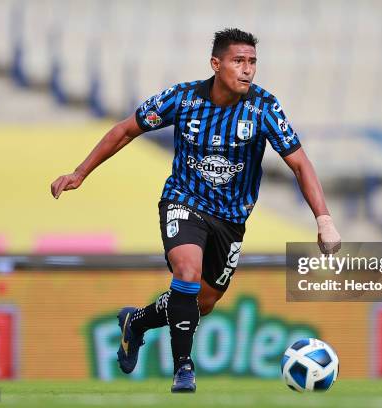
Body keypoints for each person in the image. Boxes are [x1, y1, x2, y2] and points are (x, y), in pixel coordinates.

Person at [50, 28, 341, 393]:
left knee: (201, 303)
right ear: (216, 65)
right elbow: (126, 130)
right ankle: (183, 368)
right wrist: (80, 172)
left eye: (252, 62)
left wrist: (324, 220)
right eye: (239, 61)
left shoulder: (264, 107)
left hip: (232, 221)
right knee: (188, 270)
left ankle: (136, 323)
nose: (247, 70)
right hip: (183, 201)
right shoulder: (182, 99)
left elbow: (299, 164)